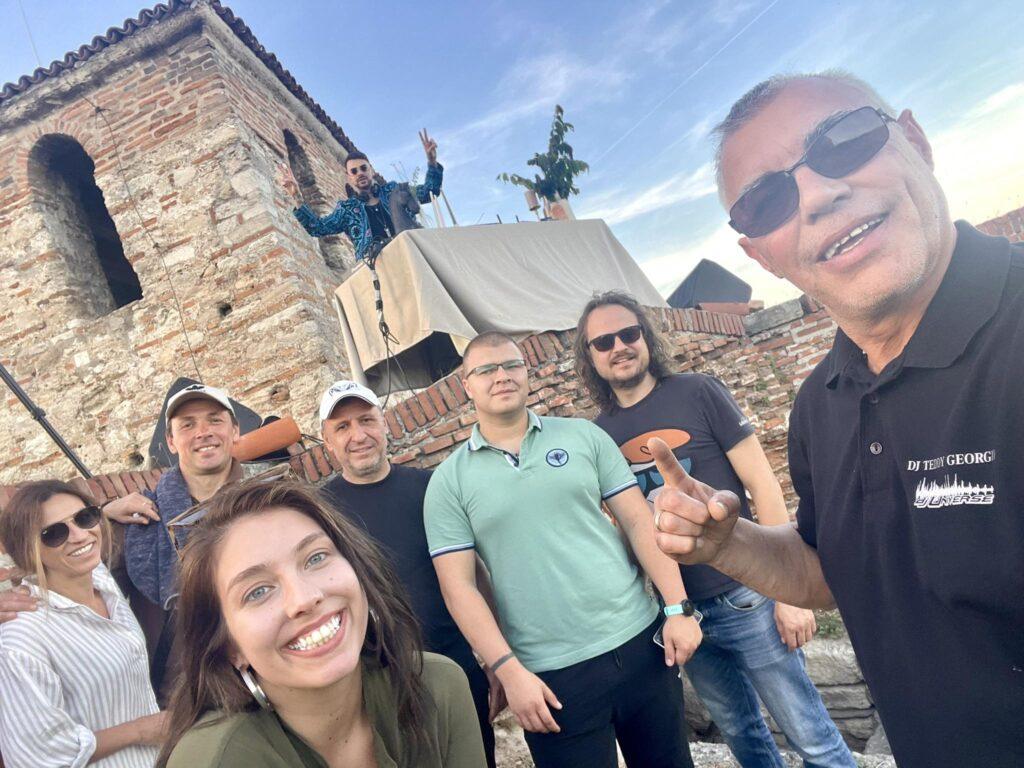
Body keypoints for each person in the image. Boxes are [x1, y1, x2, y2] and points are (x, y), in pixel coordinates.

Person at [651, 71, 1024, 768]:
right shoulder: (820, 403)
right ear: (761, 255)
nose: (819, 194)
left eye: (843, 141)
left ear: (915, 141)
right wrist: (726, 544)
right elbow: (831, 572)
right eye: (767, 201)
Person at [576, 291, 855, 768]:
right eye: (603, 341)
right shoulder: (599, 435)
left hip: (748, 597)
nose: (619, 346)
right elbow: (629, 530)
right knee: (744, 737)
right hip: (685, 615)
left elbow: (762, 483)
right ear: (590, 357)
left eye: (628, 333)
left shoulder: (698, 392)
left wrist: (788, 593)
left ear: (646, 337)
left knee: (811, 736)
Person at [425, 332, 699, 768]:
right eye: (486, 369)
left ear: (526, 372)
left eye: (511, 365)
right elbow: (458, 587)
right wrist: (508, 670)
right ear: (467, 385)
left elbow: (638, 521)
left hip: (640, 644)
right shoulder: (448, 482)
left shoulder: (582, 436)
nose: (502, 376)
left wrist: (678, 608)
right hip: (549, 678)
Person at [158, 479, 486, 768]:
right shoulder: (215, 760)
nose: (304, 599)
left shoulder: (437, 687)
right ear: (230, 647)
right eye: (258, 591)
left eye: (315, 558)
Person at [317, 380, 503, 768]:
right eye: (343, 427)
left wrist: (496, 659)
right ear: (327, 442)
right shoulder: (320, 514)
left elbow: (475, 573)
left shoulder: (433, 487)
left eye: (366, 420)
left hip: (457, 673)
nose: (358, 435)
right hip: (377, 689)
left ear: (384, 423)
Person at [0, 480, 165, 767]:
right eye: (54, 533)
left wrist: (106, 511)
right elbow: (36, 757)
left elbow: (88, 536)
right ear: (28, 550)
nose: (79, 536)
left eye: (84, 518)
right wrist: (141, 730)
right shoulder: (22, 639)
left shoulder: (97, 577)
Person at [125, 383, 243, 698]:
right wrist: (101, 513)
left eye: (214, 420)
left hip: (269, 671)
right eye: (188, 425)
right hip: (183, 691)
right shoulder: (141, 519)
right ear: (171, 441)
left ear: (234, 431)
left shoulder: (269, 499)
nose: (203, 432)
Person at [281, 130, 443, 262]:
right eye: (354, 171)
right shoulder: (347, 210)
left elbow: (430, 191)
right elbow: (317, 227)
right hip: (380, 270)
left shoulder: (394, 190)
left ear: (370, 170)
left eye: (363, 168)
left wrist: (432, 162)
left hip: (414, 255)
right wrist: (296, 196)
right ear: (349, 177)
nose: (360, 173)